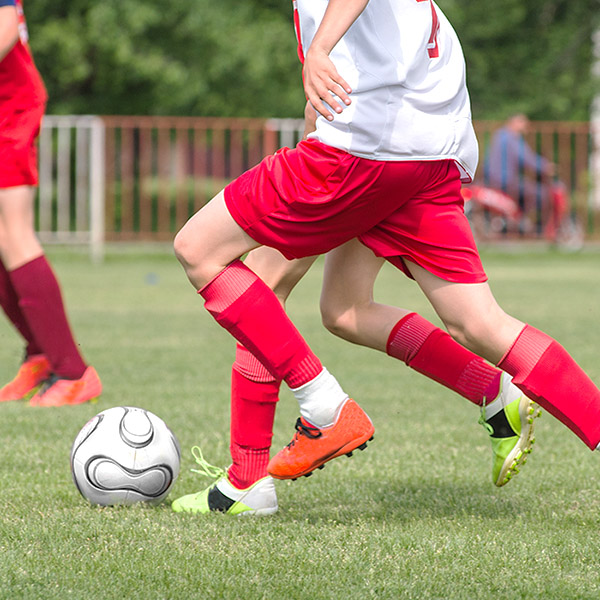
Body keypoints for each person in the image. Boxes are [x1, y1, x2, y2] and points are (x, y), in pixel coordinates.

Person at [172, 0, 600, 514]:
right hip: (430, 156)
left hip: (363, 155)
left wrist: (320, 52)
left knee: (204, 253)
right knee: (399, 315)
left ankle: (282, 449)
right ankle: (495, 393)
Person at [171, 105, 539, 516]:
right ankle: (491, 390)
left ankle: (247, 480)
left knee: (261, 287)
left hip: (358, 160)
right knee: (345, 310)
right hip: (391, 154)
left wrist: (312, 159)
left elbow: (326, 96)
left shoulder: (336, 37)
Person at [0, 0, 101, 406]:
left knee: (15, 234)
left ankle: (74, 372)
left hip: (10, 107)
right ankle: (40, 353)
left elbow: (6, 27)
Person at [484, 113, 569, 241]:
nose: (525, 128)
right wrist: (545, 166)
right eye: (523, 124)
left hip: (495, 178)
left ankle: (517, 219)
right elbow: (526, 157)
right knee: (541, 194)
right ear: (513, 123)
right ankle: (522, 221)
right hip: (505, 180)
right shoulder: (510, 138)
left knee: (528, 188)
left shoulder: (500, 135)